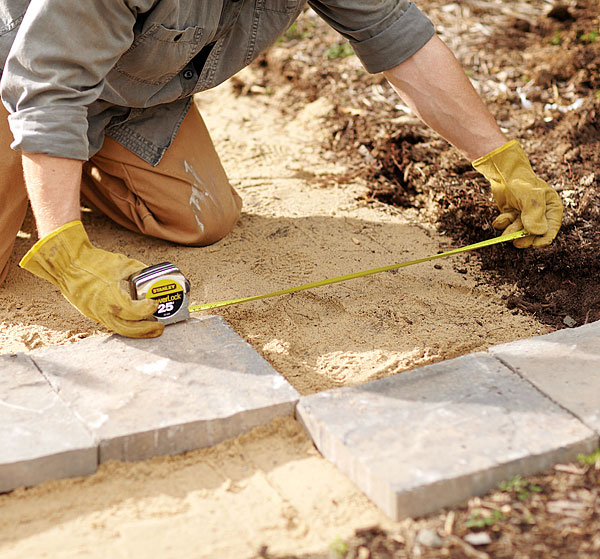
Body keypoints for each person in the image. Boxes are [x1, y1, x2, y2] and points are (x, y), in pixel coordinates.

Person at [0, 0, 563, 339]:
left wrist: (499, 158)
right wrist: (64, 247)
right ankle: (40, 177)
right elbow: (48, 91)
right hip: (21, 85)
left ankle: (63, 170)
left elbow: (398, 37)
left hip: (130, 95)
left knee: (202, 219)